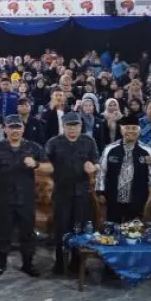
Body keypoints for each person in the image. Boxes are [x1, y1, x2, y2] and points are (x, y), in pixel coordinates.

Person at [0, 115, 53, 277]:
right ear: (5, 129)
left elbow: (50, 168)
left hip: (26, 199)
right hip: (4, 198)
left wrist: (36, 164)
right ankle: (1, 263)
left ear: (23, 129)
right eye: (11, 127)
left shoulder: (33, 147)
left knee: (27, 233)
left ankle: (27, 264)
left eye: (18, 127)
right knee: (2, 232)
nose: (15, 130)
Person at [45, 112, 100, 274]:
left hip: (82, 193)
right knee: (61, 229)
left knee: (80, 229)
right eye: (69, 126)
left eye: (75, 126)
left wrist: (93, 167)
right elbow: (45, 163)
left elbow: (97, 161)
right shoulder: (53, 142)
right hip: (61, 192)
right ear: (63, 126)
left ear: (80, 126)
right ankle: (59, 263)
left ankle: (77, 263)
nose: (72, 129)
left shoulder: (89, 141)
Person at [96, 115, 151, 224]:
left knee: (133, 230)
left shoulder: (146, 150)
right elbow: (101, 172)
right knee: (112, 228)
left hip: (137, 199)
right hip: (113, 197)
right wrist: (100, 192)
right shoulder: (110, 149)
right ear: (121, 130)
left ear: (139, 131)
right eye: (127, 128)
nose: (130, 131)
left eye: (134, 128)